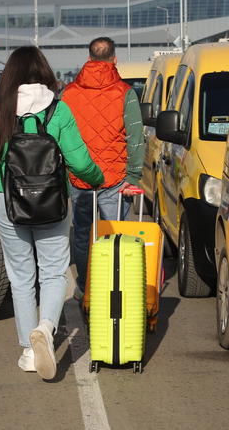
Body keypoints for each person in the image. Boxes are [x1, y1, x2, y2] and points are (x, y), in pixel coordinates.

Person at [0, 46, 104, 379]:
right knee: (54, 272)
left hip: (9, 205)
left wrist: (3, 187)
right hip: (52, 203)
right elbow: (78, 162)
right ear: (44, 72)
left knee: (20, 278)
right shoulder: (58, 111)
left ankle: (30, 352)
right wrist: (97, 178)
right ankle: (46, 328)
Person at [61, 37, 144, 301]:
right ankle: (113, 290)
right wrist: (133, 176)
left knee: (83, 235)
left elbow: (60, 138)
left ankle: (86, 289)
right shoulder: (125, 93)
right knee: (114, 237)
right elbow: (135, 138)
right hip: (115, 179)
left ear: (88, 59)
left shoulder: (69, 94)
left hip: (80, 178)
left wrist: (66, 177)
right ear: (114, 59)